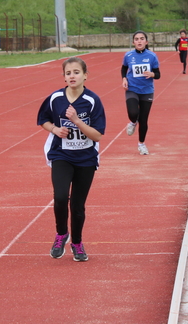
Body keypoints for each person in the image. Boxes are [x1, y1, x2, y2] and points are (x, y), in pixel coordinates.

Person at [37, 57, 106, 262]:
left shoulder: (93, 101)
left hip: (85, 158)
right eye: (68, 73)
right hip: (61, 155)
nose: (72, 76)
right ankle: (61, 234)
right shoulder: (55, 98)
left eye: (76, 72)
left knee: (77, 205)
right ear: (64, 77)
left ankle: (77, 242)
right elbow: (43, 120)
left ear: (85, 75)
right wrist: (55, 129)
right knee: (60, 197)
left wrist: (76, 120)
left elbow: (98, 135)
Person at [122, 31, 161, 156]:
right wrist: (124, 79)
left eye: (142, 39)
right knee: (133, 113)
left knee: (143, 120)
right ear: (133, 42)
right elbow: (123, 68)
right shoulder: (128, 55)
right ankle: (133, 122)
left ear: (146, 42)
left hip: (147, 91)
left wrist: (152, 74)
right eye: (137, 39)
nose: (139, 41)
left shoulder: (152, 56)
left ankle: (141, 144)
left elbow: (158, 74)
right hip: (132, 89)